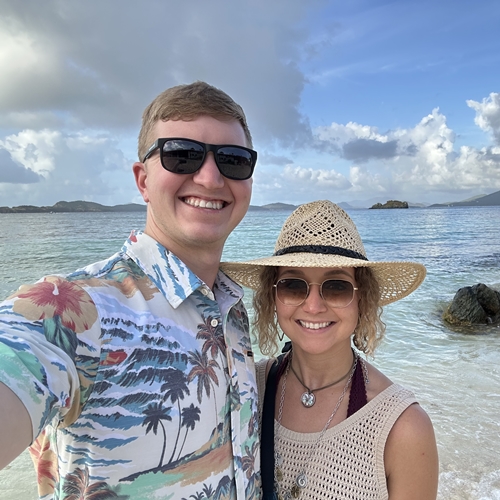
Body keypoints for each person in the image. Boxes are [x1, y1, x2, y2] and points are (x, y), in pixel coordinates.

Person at [0, 81, 261, 499]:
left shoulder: (229, 308)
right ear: (143, 180)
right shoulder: (78, 308)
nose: (211, 178)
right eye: (182, 155)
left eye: (233, 160)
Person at [221, 200, 439, 500]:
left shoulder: (403, 428)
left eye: (337, 286)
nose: (313, 306)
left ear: (363, 298)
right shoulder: (247, 389)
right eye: (293, 285)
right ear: (273, 297)